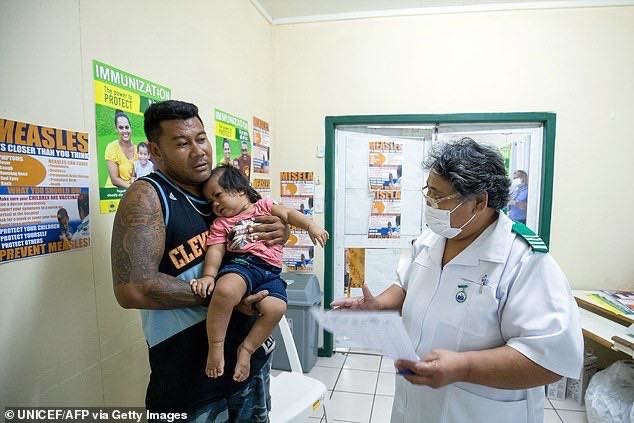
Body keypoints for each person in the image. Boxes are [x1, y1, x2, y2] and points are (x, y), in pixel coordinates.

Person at [332, 138, 583, 423]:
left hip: (478, 411)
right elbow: (405, 284)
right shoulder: (434, 237)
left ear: (479, 201)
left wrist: (463, 367)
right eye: (428, 192)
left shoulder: (524, 260)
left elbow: (550, 360)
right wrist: (379, 305)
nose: (430, 203)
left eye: (439, 197)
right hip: (415, 406)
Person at [111, 100, 289, 421]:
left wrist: (281, 230)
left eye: (201, 138)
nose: (198, 151)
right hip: (190, 380)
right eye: (182, 143)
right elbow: (132, 289)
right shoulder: (147, 196)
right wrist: (227, 298)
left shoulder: (219, 190)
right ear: (155, 150)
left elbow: (265, 225)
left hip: (247, 362)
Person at [190, 165, 328, 382]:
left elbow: (289, 213)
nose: (215, 204)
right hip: (242, 264)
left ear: (240, 190)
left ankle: (247, 349)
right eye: (210, 202)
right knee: (225, 289)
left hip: (270, 271)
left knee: (277, 307)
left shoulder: (264, 206)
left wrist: (310, 225)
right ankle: (215, 347)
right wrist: (208, 276)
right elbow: (215, 250)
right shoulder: (221, 223)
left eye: (218, 196)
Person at [105, 109, 137, 189]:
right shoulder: (111, 147)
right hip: (112, 194)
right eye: (121, 128)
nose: (125, 131)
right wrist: (133, 188)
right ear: (116, 129)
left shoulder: (138, 150)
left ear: (131, 127)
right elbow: (114, 179)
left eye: (127, 127)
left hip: (130, 192)